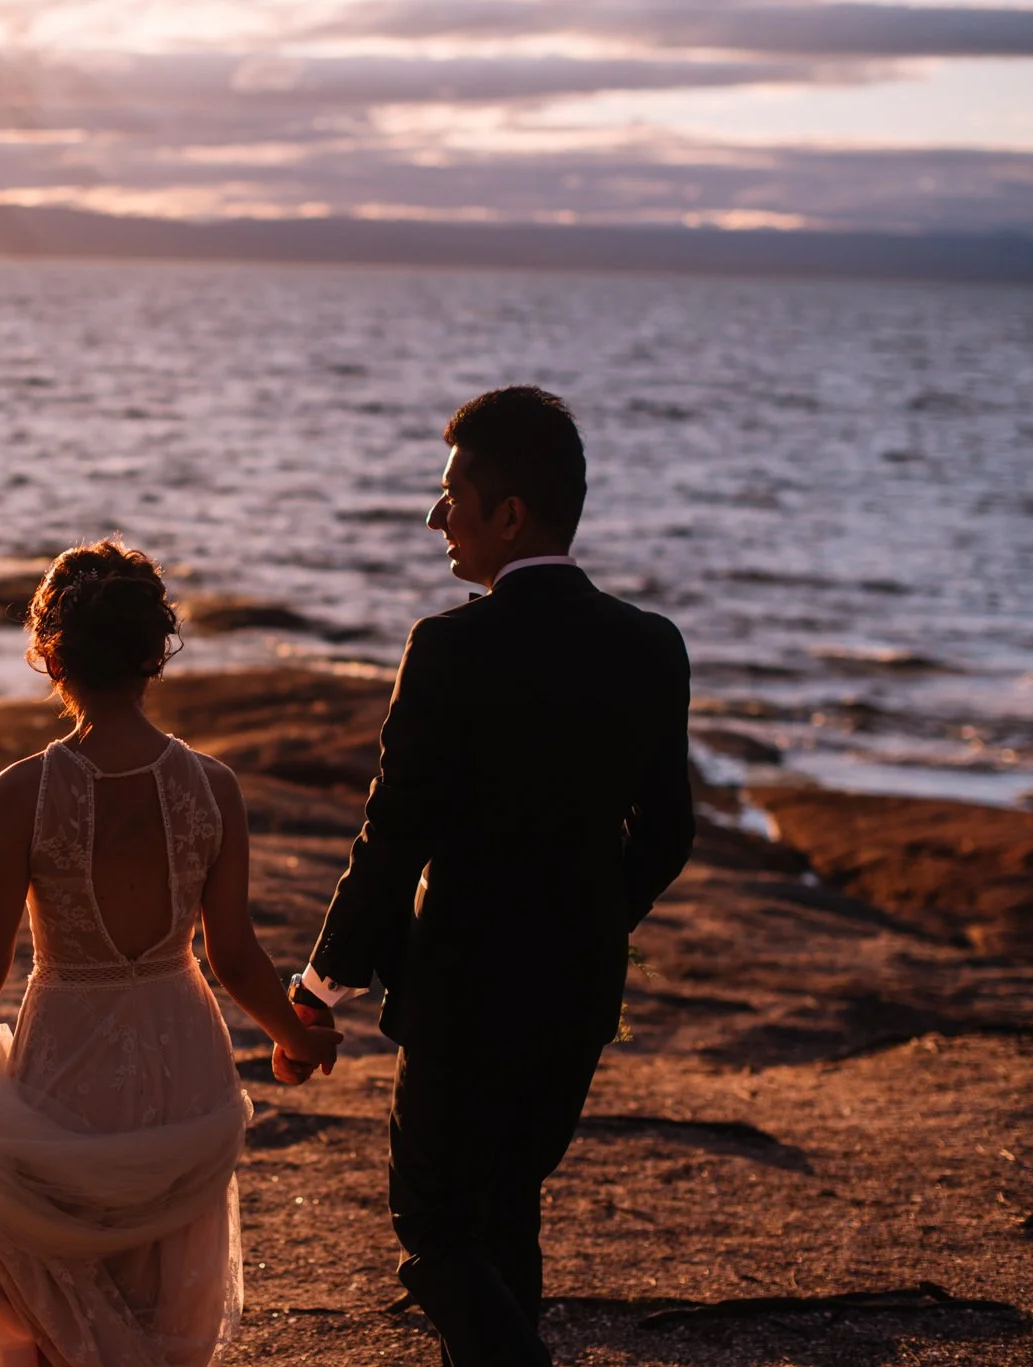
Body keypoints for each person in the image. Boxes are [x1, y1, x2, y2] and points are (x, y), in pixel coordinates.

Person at [0, 539, 341, 1367]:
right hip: (181, 1044)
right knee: (162, 1285)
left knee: (59, 1275)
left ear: (49, 653)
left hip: (71, 1044)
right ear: (153, 652)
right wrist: (298, 1036)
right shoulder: (215, 788)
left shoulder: (22, 790)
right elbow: (233, 956)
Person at [273, 386, 696, 1366]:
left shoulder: (448, 647)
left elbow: (393, 834)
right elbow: (667, 832)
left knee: (433, 1222)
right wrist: (588, 915)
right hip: (577, 989)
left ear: (508, 514)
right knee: (509, 1202)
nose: (435, 516)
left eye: (450, 493)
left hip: (462, 990)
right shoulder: (650, 644)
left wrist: (318, 985)